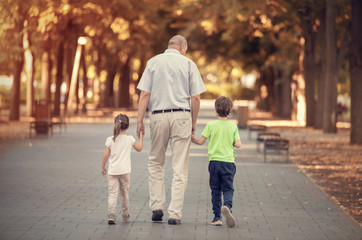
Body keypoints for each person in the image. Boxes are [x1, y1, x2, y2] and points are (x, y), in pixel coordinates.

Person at [136, 35, 206, 225]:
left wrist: (139, 120)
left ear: (169, 46)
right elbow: (196, 98)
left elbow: (144, 94)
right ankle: (174, 213)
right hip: (182, 115)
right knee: (179, 167)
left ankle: (157, 207)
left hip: (158, 116)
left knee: (156, 162)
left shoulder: (153, 62)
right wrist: (193, 123)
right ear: (182, 47)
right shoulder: (189, 64)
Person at [191, 96, 241, 227]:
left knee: (215, 190)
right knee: (228, 188)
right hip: (229, 163)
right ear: (230, 110)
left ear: (215, 109)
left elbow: (200, 142)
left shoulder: (211, 125)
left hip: (214, 163)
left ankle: (217, 217)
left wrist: (192, 138)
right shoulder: (233, 126)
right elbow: (238, 144)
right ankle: (228, 207)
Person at [101, 114, 143, 225]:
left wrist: (102, 167)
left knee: (112, 193)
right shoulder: (130, 139)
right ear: (128, 126)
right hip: (125, 171)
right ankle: (125, 214)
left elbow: (105, 155)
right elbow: (139, 148)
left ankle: (111, 215)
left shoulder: (110, 139)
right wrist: (141, 137)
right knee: (124, 193)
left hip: (112, 171)